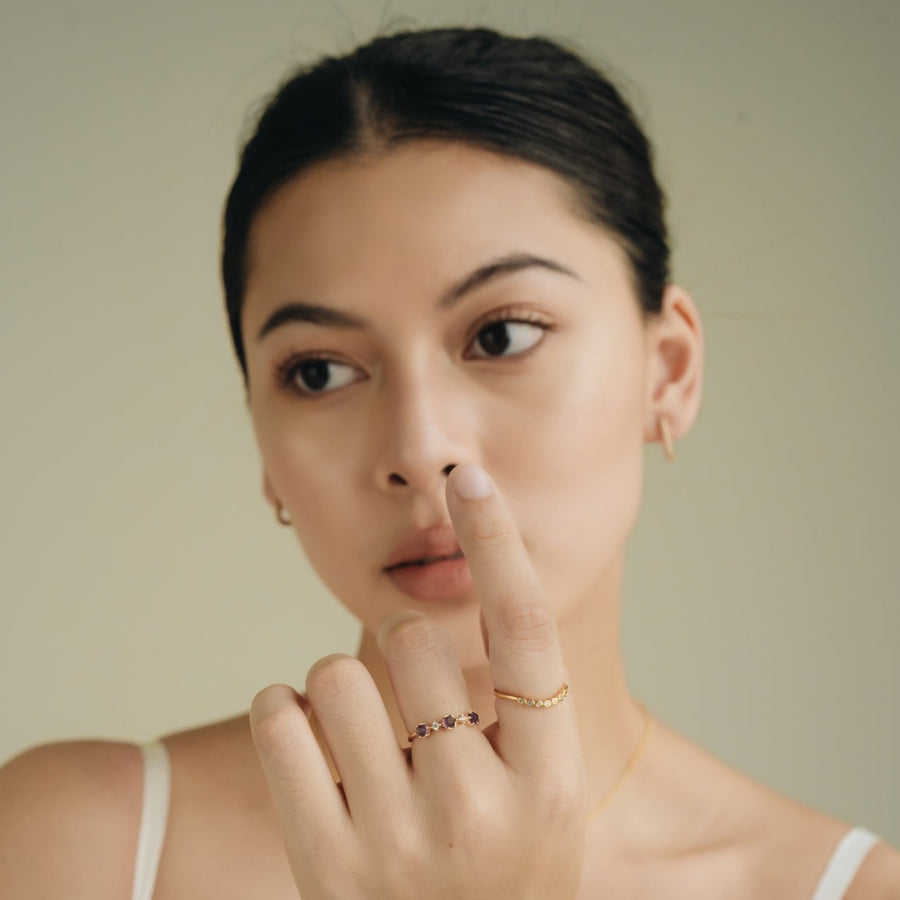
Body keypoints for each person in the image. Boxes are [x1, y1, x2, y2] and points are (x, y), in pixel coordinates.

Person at [1, 24, 897, 899]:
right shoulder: (75, 847)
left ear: (669, 370)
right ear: (262, 442)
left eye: (501, 335)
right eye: (319, 371)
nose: (420, 448)